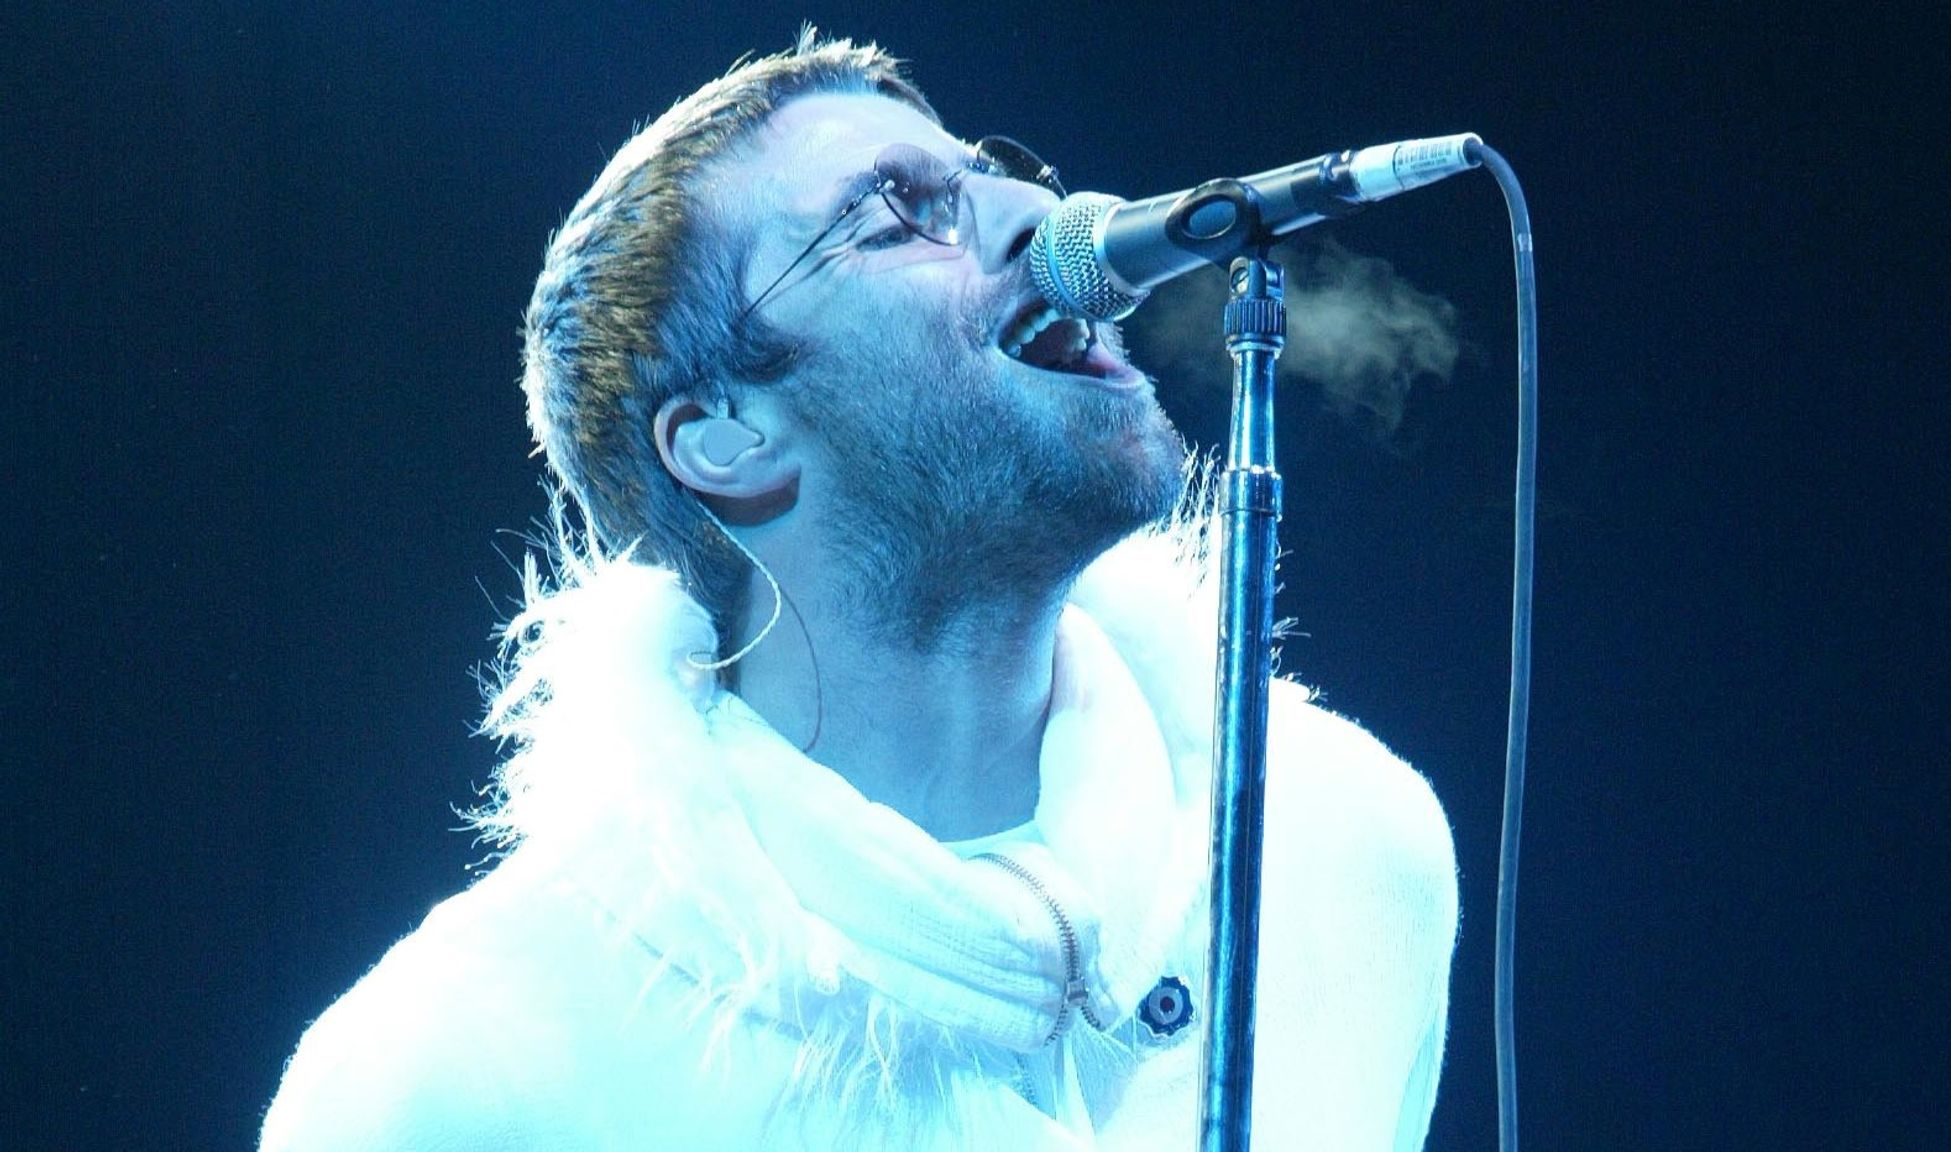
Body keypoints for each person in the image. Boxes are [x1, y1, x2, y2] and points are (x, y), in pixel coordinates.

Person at [259, 31, 1458, 1152]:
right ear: (724, 439)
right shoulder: (459, 1070)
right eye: (894, 213)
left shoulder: (1345, 849)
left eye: (995, 173)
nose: (1047, 217)